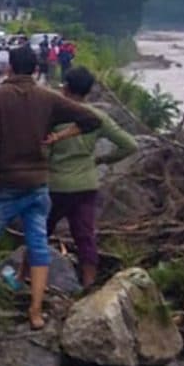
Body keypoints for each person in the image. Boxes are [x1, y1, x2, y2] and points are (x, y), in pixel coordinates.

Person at [0, 45, 101, 330]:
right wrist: (60, 136)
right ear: (36, 69)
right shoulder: (47, 98)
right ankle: (35, 312)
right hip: (36, 185)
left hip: (2, 185)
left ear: (9, 67)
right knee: (38, 246)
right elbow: (91, 119)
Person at [30, 66, 138, 288]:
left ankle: (23, 278)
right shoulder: (97, 117)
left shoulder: (55, 115)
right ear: (88, 91)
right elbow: (130, 145)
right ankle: (88, 285)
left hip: (55, 185)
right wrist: (102, 160)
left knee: (38, 234)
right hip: (86, 184)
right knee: (85, 237)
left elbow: (42, 151)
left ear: (66, 88)